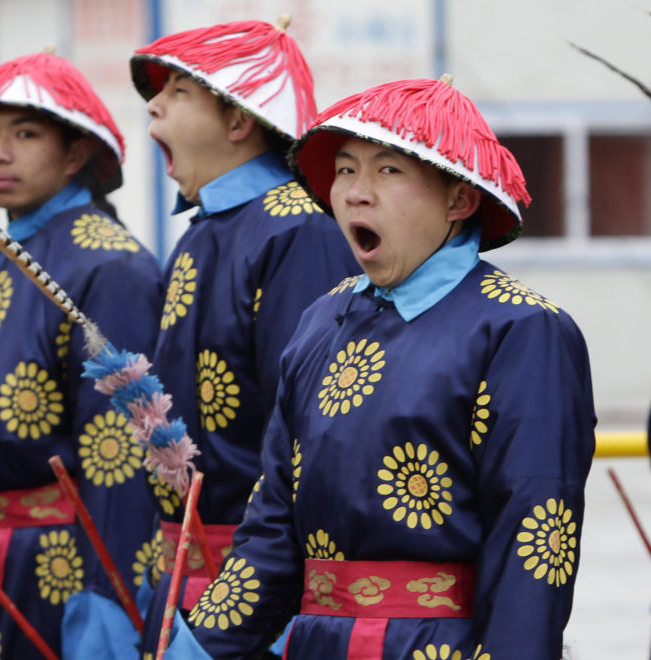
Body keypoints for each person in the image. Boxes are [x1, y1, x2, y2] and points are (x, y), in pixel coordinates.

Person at [167, 76, 597, 659]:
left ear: (458, 200)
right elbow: (271, 528)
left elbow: (534, 540)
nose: (354, 193)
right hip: (318, 645)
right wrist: (196, 649)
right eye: (345, 169)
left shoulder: (522, 330)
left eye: (387, 171)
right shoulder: (321, 320)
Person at [0, 51, 162, 659]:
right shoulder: (3, 258)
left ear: (76, 154)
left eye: (24, 133)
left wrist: (110, 606)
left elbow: (120, 457)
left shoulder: (109, 266)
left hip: (63, 572)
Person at [128, 17, 360, 655]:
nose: (153, 103)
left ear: (238, 121)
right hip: (187, 578)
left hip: (255, 593)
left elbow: (309, 436)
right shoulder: (201, 234)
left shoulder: (297, 230)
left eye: (177, 90)